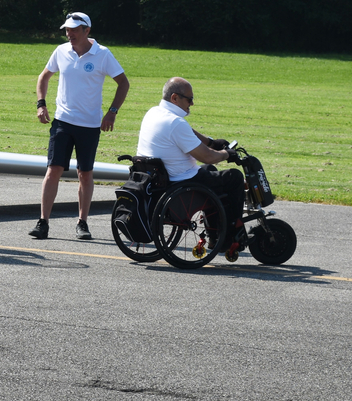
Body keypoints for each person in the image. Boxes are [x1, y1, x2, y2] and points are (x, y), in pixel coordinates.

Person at [31, 12, 129, 241]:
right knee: (53, 170)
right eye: (67, 29)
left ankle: (82, 223)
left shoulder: (102, 54)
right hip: (62, 122)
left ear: (87, 31)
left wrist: (112, 113)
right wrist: (41, 104)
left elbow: (123, 83)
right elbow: (43, 77)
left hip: (90, 125)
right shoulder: (61, 51)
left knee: (85, 174)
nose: (69, 34)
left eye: (74, 30)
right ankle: (43, 222)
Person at [136, 77, 244, 245]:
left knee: (210, 170)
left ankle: (216, 234)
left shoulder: (154, 112)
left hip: (160, 178)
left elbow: (189, 132)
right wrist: (226, 154)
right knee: (234, 177)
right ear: (174, 98)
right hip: (181, 181)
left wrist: (211, 142)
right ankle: (232, 231)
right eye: (189, 99)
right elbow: (207, 156)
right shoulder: (175, 123)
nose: (192, 103)